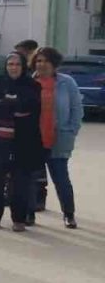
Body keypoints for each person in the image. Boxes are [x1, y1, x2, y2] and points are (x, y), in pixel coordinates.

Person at [0, 53, 41, 231]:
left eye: (17, 64)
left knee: (20, 183)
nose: (13, 67)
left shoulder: (32, 85)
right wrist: (14, 106)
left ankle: (19, 219)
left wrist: (5, 103)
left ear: (23, 66)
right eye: (10, 64)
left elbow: (32, 107)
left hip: (23, 142)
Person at [32, 47, 82, 229]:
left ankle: (69, 214)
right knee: (30, 180)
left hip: (58, 139)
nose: (42, 64)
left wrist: (71, 130)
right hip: (33, 140)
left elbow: (77, 109)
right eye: (38, 61)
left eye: (46, 60)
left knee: (61, 179)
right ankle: (29, 213)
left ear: (54, 63)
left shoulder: (66, 82)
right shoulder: (29, 82)